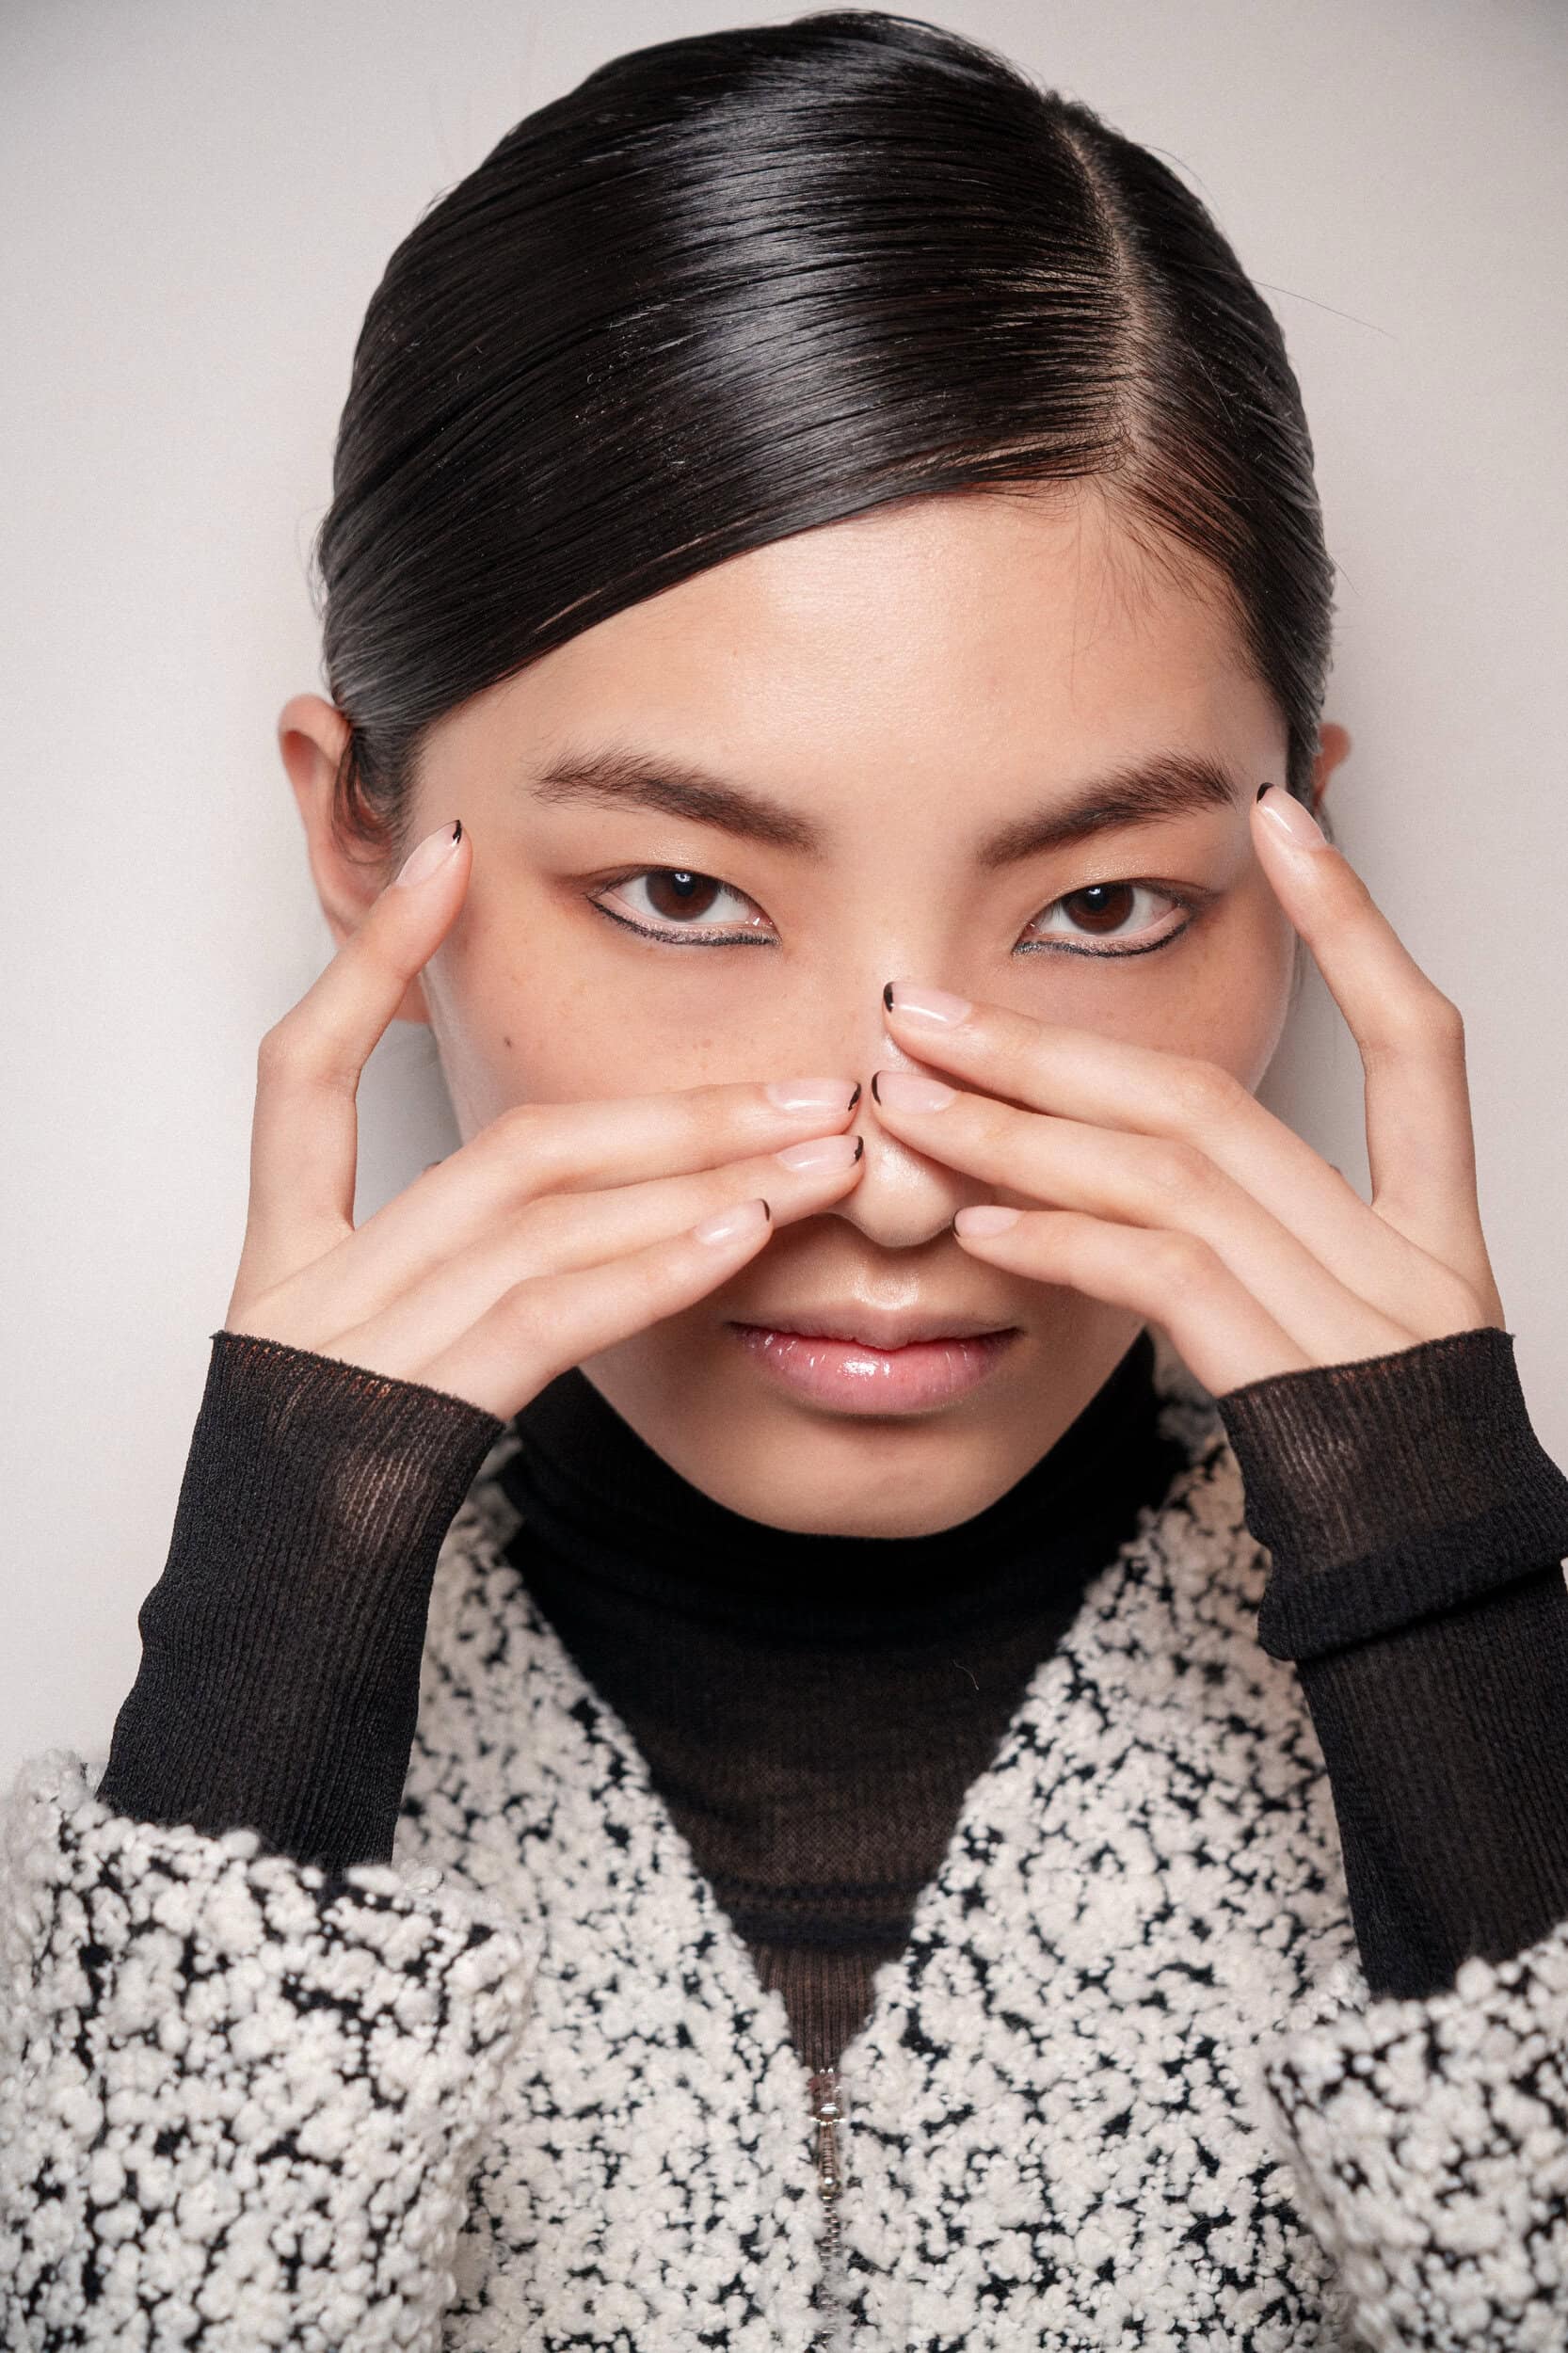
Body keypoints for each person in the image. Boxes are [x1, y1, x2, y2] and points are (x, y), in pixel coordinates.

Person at [5, 11, 1568, 2347]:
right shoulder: (167, 1820)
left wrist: (1455, 1628)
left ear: (1296, 859)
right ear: (360, 834)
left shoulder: (1482, 1726)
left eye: (1102, 904)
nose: (897, 1186)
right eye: (681, 892)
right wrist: (260, 1661)